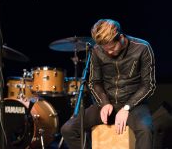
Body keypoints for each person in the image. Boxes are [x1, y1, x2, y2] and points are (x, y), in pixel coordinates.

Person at [61, 18, 156, 149]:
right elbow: (95, 82)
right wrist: (104, 103)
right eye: (105, 49)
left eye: (111, 48)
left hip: (134, 104)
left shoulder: (142, 48)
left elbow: (148, 85)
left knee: (145, 130)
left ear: (121, 37)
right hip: (107, 103)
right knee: (68, 129)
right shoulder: (97, 50)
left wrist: (127, 107)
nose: (109, 52)